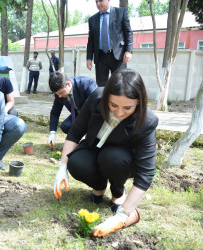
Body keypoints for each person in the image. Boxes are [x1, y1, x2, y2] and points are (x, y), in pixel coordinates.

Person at [53, 68, 158, 237]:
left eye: (127, 107)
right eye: (113, 105)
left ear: (138, 102)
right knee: (77, 162)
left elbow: (146, 172)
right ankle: (99, 186)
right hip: (95, 147)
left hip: (121, 159)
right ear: (107, 98)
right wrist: (62, 167)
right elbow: (75, 132)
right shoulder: (96, 98)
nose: (119, 112)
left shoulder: (147, 121)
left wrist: (123, 215)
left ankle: (117, 192)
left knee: (112, 158)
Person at [86, 0, 133, 87]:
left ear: (108, 0)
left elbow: (128, 32)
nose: (98, 4)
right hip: (100, 57)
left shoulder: (120, 12)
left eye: (100, 0)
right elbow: (91, 41)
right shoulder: (92, 19)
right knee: (101, 87)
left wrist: (128, 50)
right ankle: (103, 101)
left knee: (119, 85)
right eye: (96, 1)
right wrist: (89, 58)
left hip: (118, 57)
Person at [47, 72, 98, 146]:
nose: (60, 96)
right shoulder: (59, 94)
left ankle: (90, 138)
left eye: (61, 93)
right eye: (57, 94)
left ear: (68, 84)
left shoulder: (87, 84)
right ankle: (79, 138)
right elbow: (55, 112)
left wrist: (88, 132)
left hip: (92, 116)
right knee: (65, 126)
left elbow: (96, 109)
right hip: (79, 115)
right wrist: (52, 133)